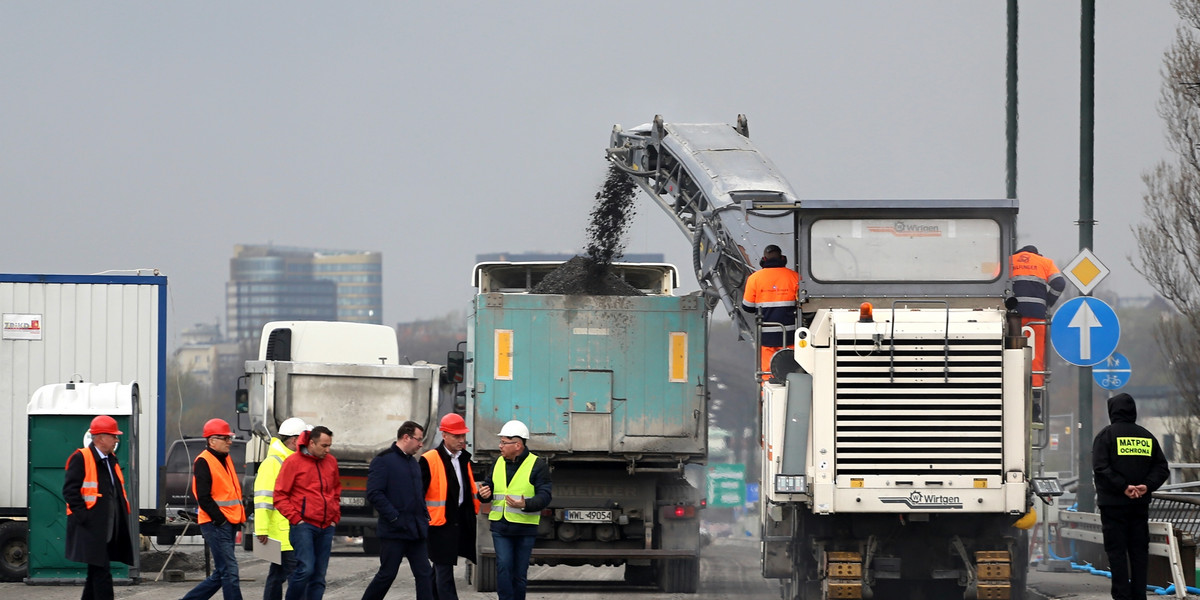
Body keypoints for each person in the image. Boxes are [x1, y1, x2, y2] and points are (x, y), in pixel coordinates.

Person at [1092, 393, 1170, 600]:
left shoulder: (1105, 436)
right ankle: (1139, 595)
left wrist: (1123, 487)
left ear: (1112, 411)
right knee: (1139, 552)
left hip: (1113, 505)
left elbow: (1101, 468)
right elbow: (1162, 468)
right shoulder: (1146, 436)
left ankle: (1121, 595)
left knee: (1117, 553)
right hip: (1139, 505)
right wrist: (1146, 486)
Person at [476, 420, 552, 600]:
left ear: (517, 445)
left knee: (519, 573)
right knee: (504, 566)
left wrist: (525, 504)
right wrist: (483, 494)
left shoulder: (537, 465)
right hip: (501, 528)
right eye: (500, 442)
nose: (499, 446)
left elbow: (545, 496)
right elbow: (488, 487)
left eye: (504, 442)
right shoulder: (498, 463)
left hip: (525, 528)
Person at [63, 415, 135, 600]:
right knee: (102, 573)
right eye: (114, 436)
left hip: (106, 527)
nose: (117, 440)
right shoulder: (81, 457)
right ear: (100, 437)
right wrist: (84, 517)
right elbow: (70, 492)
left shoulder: (111, 459)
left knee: (95, 572)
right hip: (90, 527)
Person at [361, 422, 434, 600]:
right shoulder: (383, 461)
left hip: (416, 531)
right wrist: (394, 517)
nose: (421, 444)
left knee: (425, 574)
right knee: (387, 574)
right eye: (418, 439)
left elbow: (418, 495)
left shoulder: (414, 463)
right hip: (395, 531)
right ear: (406, 437)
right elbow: (374, 493)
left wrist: (424, 516)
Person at [182, 418, 247, 600]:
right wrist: (221, 520)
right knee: (230, 572)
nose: (230, 442)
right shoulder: (203, 461)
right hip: (217, 524)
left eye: (229, 438)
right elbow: (203, 497)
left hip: (228, 522)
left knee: (222, 573)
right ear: (212, 440)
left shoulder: (225, 459)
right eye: (225, 438)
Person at [275, 425, 340, 600]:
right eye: (324, 446)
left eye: (329, 446)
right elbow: (279, 495)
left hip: (326, 526)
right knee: (305, 569)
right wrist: (296, 519)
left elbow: (336, 491)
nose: (328, 450)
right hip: (304, 525)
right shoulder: (293, 462)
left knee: (319, 576)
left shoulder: (331, 462)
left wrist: (335, 517)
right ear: (311, 443)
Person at [419, 414, 480, 600]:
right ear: (444, 435)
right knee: (444, 569)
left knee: (439, 568)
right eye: (456, 436)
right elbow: (417, 494)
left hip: (457, 521)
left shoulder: (463, 459)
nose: (462, 440)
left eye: (463, 435)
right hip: (438, 523)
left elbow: (466, 490)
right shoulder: (428, 459)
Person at [254, 417, 308, 600]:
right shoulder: (274, 463)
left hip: (289, 530)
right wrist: (261, 529)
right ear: (294, 440)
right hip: (282, 532)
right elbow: (263, 499)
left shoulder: (291, 460)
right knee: (296, 576)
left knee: (277, 575)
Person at [1010, 245, 1066, 420]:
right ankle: (1035, 405)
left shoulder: (1008, 261)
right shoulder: (1044, 262)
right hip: (1036, 316)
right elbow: (1059, 283)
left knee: (1010, 354)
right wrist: (1047, 302)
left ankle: (1010, 396)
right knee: (1036, 359)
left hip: (1013, 316)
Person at [741, 244, 801, 373]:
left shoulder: (754, 279)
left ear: (764, 260)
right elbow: (803, 304)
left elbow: (747, 307)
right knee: (793, 369)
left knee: (768, 373)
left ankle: (766, 391)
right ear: (783, 258)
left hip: (766, 336)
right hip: (790, 335)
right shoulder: (795, 277)